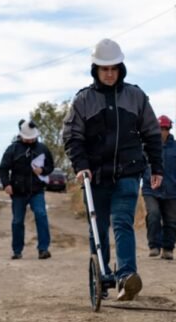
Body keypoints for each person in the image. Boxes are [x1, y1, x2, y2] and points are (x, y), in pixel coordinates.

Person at [63, 38, 163, 301]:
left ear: (121, 69)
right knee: (97, 226)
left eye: (114, 68)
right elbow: (72, 137)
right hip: (94, 176)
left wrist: (157, 167)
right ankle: (103, 274)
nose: (109, 74)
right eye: (104, 69)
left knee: (122, 222)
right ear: (95, 69)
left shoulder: (136, 96)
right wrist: (81, 166)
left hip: (128, 172)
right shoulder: (83, 100)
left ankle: (127, 276)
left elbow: (152, 134)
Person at [141, 115, 176, 260]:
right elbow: (137, 164)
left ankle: (168, 248)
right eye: (159, 128)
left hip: (172, 191)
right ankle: (154, 246)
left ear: (169, 130)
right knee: (153, 215)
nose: (161, 131)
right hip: (150, 189)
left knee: (172, 221)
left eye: (164, 129)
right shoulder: (146, 147)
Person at [0, 119, 55, 260]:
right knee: (17, 221)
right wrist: (6, 184)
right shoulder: (12, 149)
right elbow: (3, 169)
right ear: (21, 135)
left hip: (37, 191)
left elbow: (50, 166)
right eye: (28, 138)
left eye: (32, 138)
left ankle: (43, 249)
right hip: (18, 192)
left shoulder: (42, 148)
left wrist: (43, 170)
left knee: (41, 215)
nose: (30, 140)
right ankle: (17, 250)